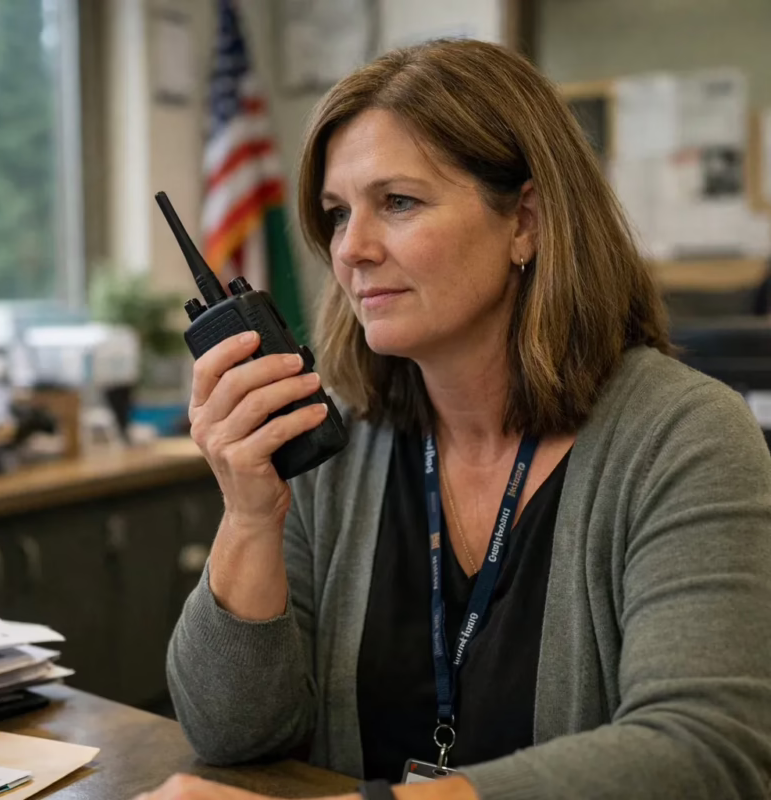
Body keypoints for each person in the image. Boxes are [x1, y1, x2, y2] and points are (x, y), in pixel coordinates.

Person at [144, 39, 771, 800]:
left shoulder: (684, 437)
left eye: (398, 203)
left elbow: (706, 754)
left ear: (526, 223)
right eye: (339, 215)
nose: (353, 250)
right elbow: (231, 733)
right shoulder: (334, 438)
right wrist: (248, 517)